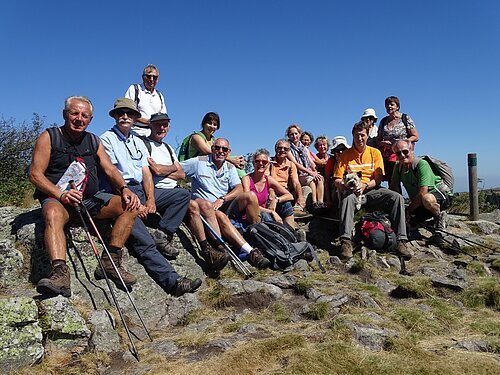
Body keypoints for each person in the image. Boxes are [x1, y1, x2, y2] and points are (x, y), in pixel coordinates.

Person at [29, 96, 141, 297]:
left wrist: (124, 189)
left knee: (130, 206)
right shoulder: (49, 137)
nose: (79, 119)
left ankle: (111, 262)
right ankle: (60, 274)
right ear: (65, 115)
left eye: (85, 116)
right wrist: (61, 194)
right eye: (74, 113)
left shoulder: (93, 140)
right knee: (53, 214)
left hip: (89, 199)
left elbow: (109, 168)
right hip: (59, 199)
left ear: (90, 119)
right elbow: (35, 174)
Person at [100, 98, 201, 297]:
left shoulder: (137, 142)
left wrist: (150, 200)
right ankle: (173, 282)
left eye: (130, 114)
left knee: (182, 194)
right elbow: (111, 172)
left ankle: (162, 234)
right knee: (143, 242)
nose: (125, 117)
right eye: (121, 113)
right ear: (115, 116)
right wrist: (135, 203)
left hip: (139, 189)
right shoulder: (106, 139)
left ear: (136, 118)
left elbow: (146, 173)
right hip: (121, 193)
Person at [141, 112, 230, 272]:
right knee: (186, 197)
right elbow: (150, 171)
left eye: (165, 125)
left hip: (173, 189)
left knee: (194, 206)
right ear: (150, 125)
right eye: (158, 124)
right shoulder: (143, 145)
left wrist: (161, 169)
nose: (162, 128)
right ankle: (167, 236)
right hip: (159, 190)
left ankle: (209, 250)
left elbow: (181, 173)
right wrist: (170, 169)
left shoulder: (168, 148)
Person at [180, 138, 271, 269]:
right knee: (221, 216)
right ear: (212, 149)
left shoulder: (229, 167)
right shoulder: (198, 162)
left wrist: (223, 199)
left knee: (250, 196)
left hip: (223, 204)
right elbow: (176, 169)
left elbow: (238, 188)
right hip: (206, 207)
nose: (220, 151)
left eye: (224, 149)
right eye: (217, 148)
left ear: (229, 152)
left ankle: (257, 237)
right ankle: (249, 252)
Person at [334, 122, 412, 260]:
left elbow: (378, 178)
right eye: (357, 135)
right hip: (352, 191)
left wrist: (364, 186)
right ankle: (346, 242)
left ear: (367, 135)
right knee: (347, 200)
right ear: (352, 136)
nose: (360, 138)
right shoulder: (345, 155)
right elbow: (337, 179)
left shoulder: (375, 153)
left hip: (371, 189)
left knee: (396, 198)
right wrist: (346, 186)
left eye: (362, 135)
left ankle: (401, 241)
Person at [390, 139, 450, 238]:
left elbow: (423, 192)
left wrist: (408, 210)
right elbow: (394, 187)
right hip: (420, 203)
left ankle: (439, 217)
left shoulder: (422, 164)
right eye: (398, 153)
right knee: (410, 223)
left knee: (427, 198)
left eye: (405, 152)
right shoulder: (398, 166)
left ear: (411, 150)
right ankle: (429, 224)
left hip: (439, 197)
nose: (402, 155)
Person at [242, 149, 295, 226]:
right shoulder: (246, 179)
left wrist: (276, 200)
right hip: (250, 216)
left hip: (264, 213)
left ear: (268, 164)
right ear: (253, 163)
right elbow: (249, 204)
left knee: (286, 204)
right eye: (257, 161)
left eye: (264, 162)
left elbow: (290, 196)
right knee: (266, 216)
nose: (261, 164)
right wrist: (271, 212)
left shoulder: (268, 179)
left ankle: (291, 232)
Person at [178, 112, 245, 170]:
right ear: (203, 124)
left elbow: (226, 152)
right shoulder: (196, 137)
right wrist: (232, 160)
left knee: (237, 162)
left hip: (207, 168)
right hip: (193, 169)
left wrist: (237, 160)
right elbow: (209, 152)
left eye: (215, 124)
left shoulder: (214, 140)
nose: (212, 126)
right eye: (209, 123)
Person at [376, 96, 419, 183]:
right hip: (388, 157)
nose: (389, 106)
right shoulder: (383, 121)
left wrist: (401, 143)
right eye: (387, 105)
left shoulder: (405, 118)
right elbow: (378, 141)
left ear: (397, 106)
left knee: (407, 179)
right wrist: (384, 143)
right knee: (392, 180)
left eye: (392, 104)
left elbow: (415, 136)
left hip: (402, 155)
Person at [286, 124, 325, 210]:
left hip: (306, 173)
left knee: (319, 178)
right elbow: (295, 163)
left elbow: (310, 162)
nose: (294, 136)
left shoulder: (304, 148)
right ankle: (314, 203)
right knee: (310, 181)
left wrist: (315, 170)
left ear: (300, 134)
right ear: (288, 136)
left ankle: (320, 203)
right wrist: (310, 172)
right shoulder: (288, 148)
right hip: (298, 174)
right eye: (291, 134)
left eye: (296, 133)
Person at [125, 64, 167, 137]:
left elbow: (163, 117)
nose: (151, 79)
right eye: (148, 76)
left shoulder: (159, 95)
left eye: (154, 77)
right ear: (143, 77)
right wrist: (148, 122)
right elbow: (128, 112)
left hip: (154, 135)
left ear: (157, 79)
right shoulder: (134, 89)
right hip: (135, 133)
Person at [269, 139, 307, 214]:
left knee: (306, 189)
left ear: (289, 150)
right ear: (275, 149)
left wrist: (300, 197)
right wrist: (271, 192)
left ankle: (298, 208)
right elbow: (266, 180)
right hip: (272, 191)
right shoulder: (269, 163)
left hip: (286, 191)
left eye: (285, 149)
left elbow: (295, 182)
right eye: (280, 148)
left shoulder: (291, 165)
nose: (282, 150)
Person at [324, 136, 349, 215]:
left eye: (343, 149)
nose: (341, 152)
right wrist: (328, 200)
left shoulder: (351, 160)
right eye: (338, 150)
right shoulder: (331, 161)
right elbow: (327, 181)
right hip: (335, 187)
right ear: (334, 151)